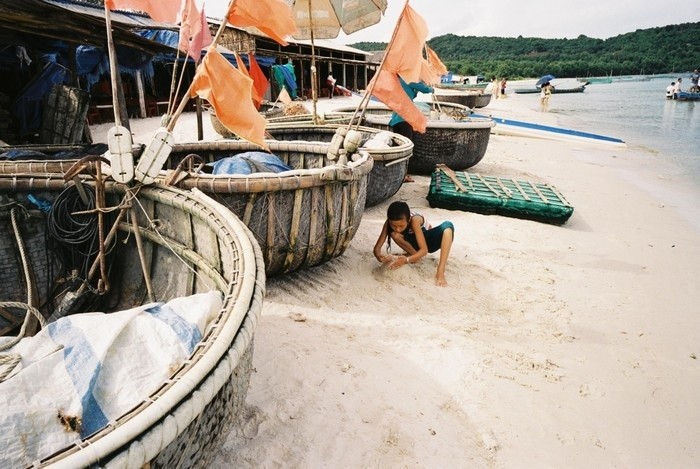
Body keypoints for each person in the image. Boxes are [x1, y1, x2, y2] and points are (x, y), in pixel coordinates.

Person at [373, 201, 454, 287]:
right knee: (394, 234)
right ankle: (415, 256)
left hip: (428, 241)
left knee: (448, 226)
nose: (397, 229)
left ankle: (440, 272)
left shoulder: (414, 220)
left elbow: (424, 250)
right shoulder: (389, 223)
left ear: (408, 220)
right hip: (414, 243)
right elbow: (377, 249)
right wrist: (380, 257)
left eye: (401, 226)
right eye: (394, 226)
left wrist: (406, 260)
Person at [389, 76, 434, 182]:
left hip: (396, 119)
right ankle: (404, 175)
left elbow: (411, 94)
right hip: (405, 119)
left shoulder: (398, 80)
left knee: (398, 149)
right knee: (406, 149)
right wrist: (432, 88)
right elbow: (425, 89)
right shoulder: (408, 78)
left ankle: (398, 174)